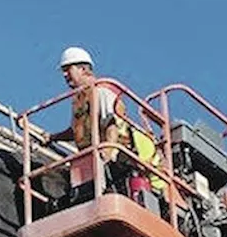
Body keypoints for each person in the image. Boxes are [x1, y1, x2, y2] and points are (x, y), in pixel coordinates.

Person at [44, 47, 162, 210]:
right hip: (94, 158)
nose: (65, 75)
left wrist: (108, 152)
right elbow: (77, 132)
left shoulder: (101, 91)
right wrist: (53, 137)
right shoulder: (80, 99)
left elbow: (111, 123)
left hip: (120, 158)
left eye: (67, 69)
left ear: (83, 69)